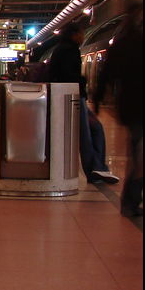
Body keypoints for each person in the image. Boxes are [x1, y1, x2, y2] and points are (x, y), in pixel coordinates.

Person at [46, 22, 119, 185]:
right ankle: (94, 169)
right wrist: (82, 80)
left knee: (95, 129)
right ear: (73, 34)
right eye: (81, 33)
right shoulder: (68, 50)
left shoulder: (63, 49)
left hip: (74, 97)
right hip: (73, 98)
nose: (83, 36)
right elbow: (66, 75)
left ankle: (97, 168)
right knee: (85, 135)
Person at [94, 1, 143, 216]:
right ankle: (130, 201)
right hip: (138, 107)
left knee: (138, 152)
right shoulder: (136, 41)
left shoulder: (122, 43)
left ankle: (130, 201)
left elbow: (106, 75)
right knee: (139, 153)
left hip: (130, 107)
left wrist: (96, 98)